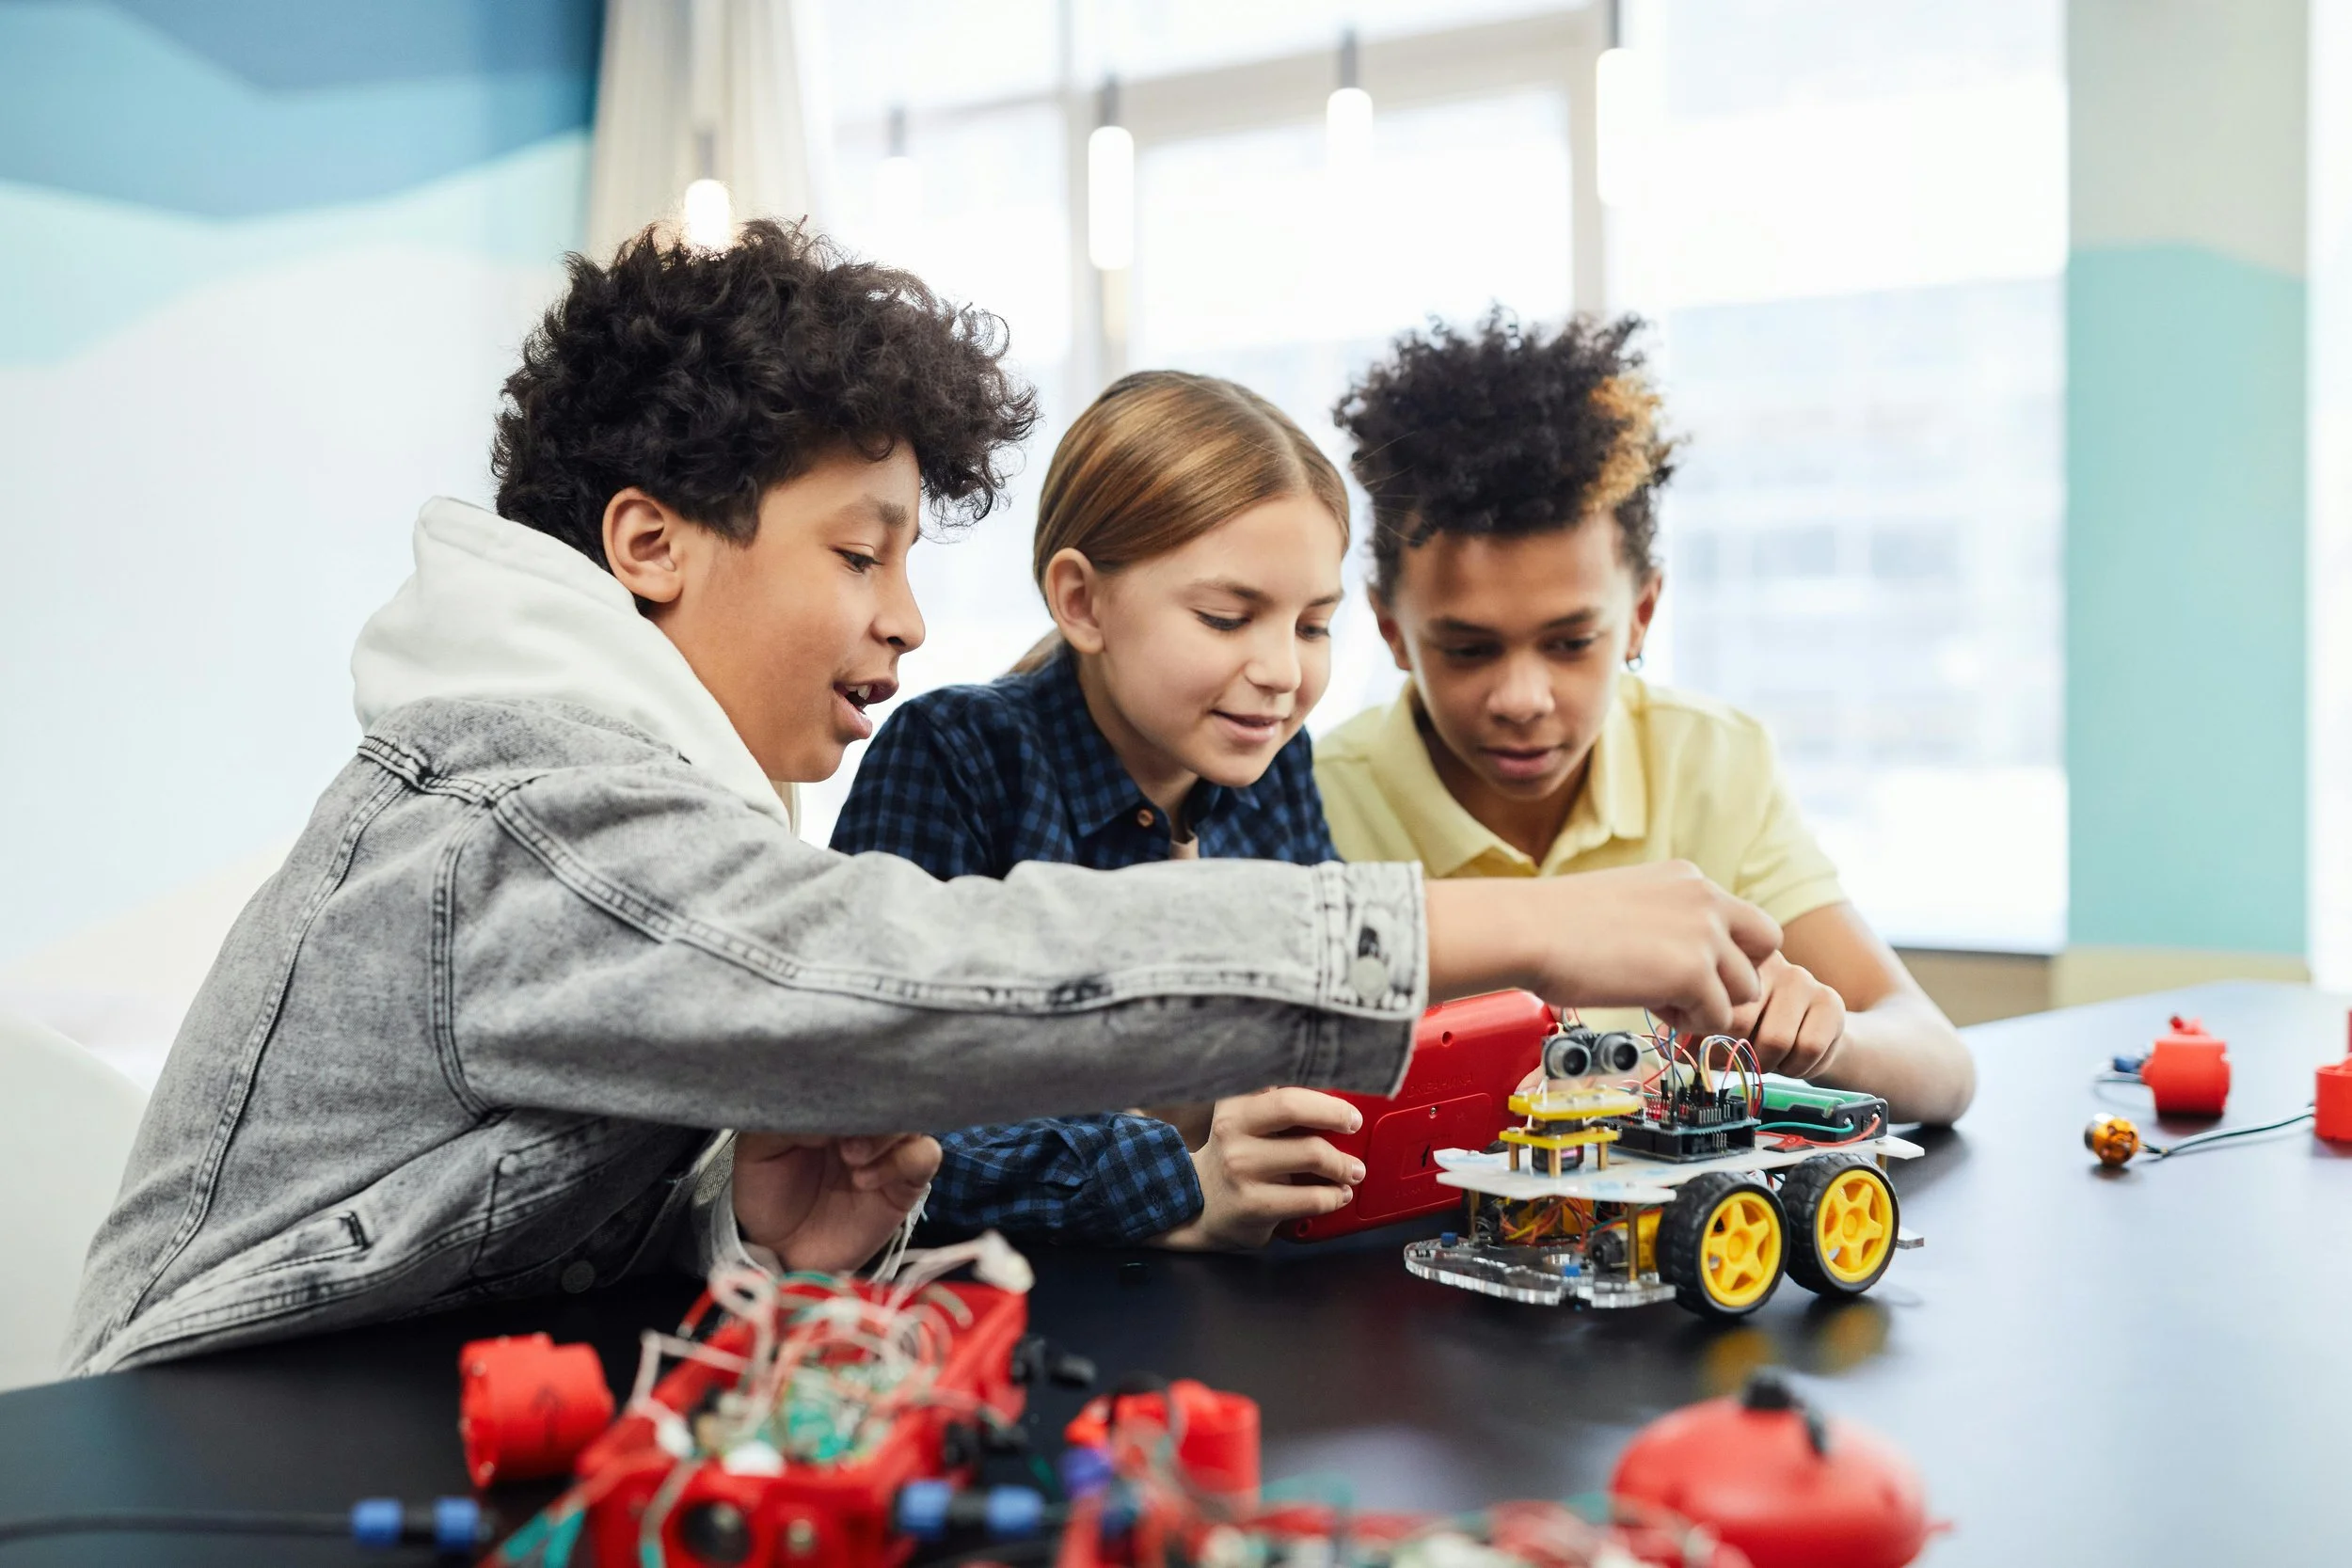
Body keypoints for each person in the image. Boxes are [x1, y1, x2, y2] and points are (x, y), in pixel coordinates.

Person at [67, 229, 1782, 1375]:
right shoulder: (523, 804)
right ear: (649, 542)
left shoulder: (644, 798)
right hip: (180, 1464)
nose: (903, 614)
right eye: (860, 550)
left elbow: (493, 1226)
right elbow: (909, 969)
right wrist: (1510, 923)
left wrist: (744, 1225)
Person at [1318, 310, 1974, 1124]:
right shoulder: (1308, 800)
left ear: (1642, 613)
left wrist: (1825, 1040)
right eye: (1468, 649)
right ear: (1391, 631)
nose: (1522, 698)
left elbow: (1942, 1064)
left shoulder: (1712, 760)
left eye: (1569, 641)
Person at [831, 371, 1367, 1250]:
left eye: (1312, 626)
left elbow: (1334, 1026)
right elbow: (878, 1133)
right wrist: (1179, 1184)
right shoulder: (958, 755)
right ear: (1082, 601)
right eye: (1230, 618)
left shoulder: (1275, 759)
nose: (1282, 670)